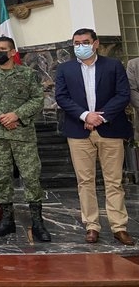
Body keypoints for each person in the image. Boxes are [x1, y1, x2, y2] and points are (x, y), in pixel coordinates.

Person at [55, 28, 134, 246]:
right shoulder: (65, 69)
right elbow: (61, 97)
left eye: (85, 42)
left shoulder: (113, 65)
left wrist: (101, 117)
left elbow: (123, 94)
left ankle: (119, 227)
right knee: (85, 181)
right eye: (77, 43)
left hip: (110, 129)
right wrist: (85, 115)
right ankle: (91, 226)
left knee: (114, 181)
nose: (81, 46)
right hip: (78, 131)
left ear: (96, 43)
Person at [0, 36, 51, 242]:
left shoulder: (27, 74)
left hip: (23, 135)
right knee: (1, 177)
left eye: (2, 49)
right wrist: (2, 116)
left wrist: (16, 115)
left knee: (31, 177)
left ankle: (37, 222)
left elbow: (37, 99)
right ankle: (7, 220)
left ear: (12, 52)